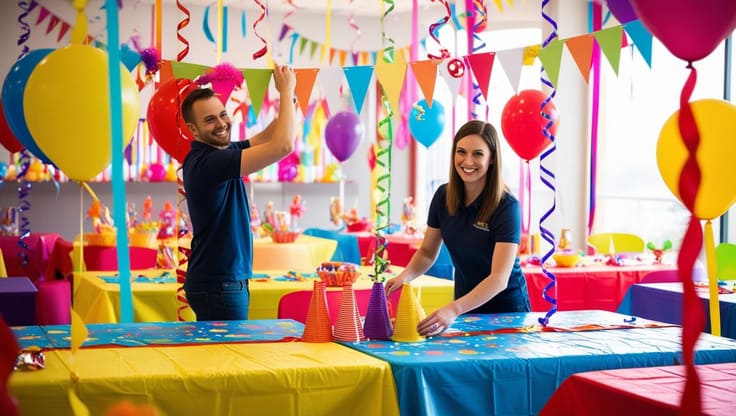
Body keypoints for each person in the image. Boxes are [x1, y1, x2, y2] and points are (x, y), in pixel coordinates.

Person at [385, 120, 530, 336]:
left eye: (478, 154)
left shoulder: (507, 206)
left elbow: (499, 279)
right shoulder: (443, 196)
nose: (467, 161)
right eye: (461, 152)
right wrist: (404, 276)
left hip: (507, 312)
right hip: (466, 308)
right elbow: (426, 252)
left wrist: (454, 308)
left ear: (491, 160)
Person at [181, 64, 296, 321]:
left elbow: (269, 136)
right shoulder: (209, 163)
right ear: (193, 129)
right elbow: (283, 145)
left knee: (223, 357)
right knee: (227, 358)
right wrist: (286, 91)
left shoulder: (218, 152)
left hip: (220, 281)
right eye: (210, 119)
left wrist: (291, 98)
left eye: (223, 114)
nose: (222, 124)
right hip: (220, 284)